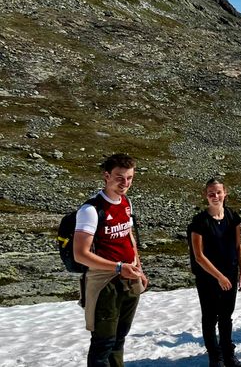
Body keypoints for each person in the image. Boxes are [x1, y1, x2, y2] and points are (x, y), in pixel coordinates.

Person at [73, 153, 148, 367]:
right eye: (119, 177)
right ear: (107, 176)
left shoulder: (126, 202)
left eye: (130, 178)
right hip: (105, 281)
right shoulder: (90, 210)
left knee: (119, 338)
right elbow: (81, 254)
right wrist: (118, 267)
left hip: (129, 276)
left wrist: (139, 269)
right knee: (103, 343)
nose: (125, 183)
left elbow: (128, 237)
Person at [189, 178, 241, 367]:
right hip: (208, 277)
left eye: (218, 192)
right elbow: (199, 256)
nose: (215, 196)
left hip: (230, 273)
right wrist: (219, 276)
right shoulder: (199, 222)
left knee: (226, 316)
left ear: (225, 193)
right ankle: (216, 357)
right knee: (210, 317)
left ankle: (228, 354)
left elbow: (239, 246)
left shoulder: (232, 216)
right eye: (211, 193)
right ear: (206, 195)